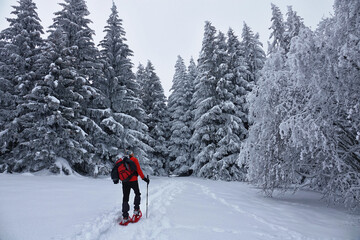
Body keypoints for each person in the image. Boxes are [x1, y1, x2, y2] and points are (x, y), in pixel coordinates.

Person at [119, 149, 150, 226]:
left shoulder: (121, 160)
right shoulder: (134, 159)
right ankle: (136, 211)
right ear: (131, 153)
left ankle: (125, 217)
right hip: (133, 181)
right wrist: (144, 179)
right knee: (137, 193)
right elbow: (138, 170)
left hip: (124, 182)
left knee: (125, 197)